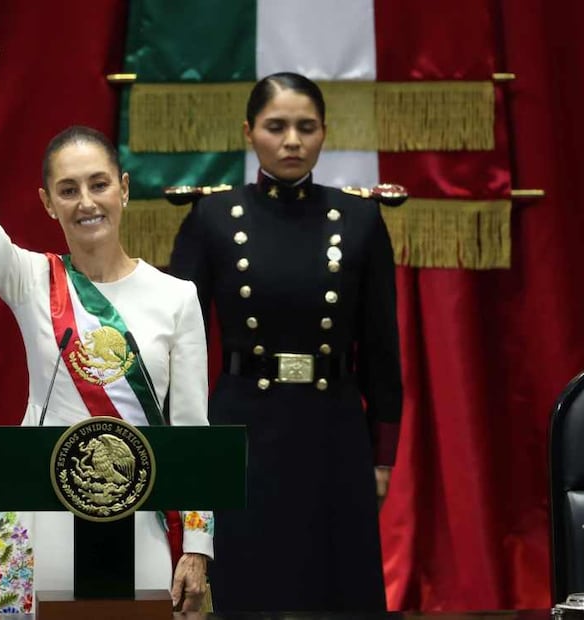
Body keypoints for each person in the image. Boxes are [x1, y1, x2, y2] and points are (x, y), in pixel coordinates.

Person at [0, 16, 213, 615]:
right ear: (47, 202)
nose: (86, 202)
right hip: (40, 508)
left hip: (138, 516)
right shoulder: (30, 278)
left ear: (124, 189)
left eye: (99, 184)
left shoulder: (177, 298)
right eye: (68, 190)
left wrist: (197, 547)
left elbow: (191, 433)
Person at [169, 72, 403, 612]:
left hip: (333, 428)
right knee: (248, 591)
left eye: (306, 127)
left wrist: (382, 458)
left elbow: (381, 350)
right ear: (248, 132)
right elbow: (179, 348)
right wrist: (188, 453)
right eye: (276, 127)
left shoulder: (360, 219)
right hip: (242, 430)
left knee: (337, 593)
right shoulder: (212, 218)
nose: (292, 141)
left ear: (325, 133)